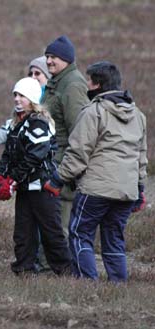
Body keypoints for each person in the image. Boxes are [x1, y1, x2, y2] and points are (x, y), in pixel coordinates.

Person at [44, 61, 147, 282]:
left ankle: (87, 284)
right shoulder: (138, 115)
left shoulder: (93, 112)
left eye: (89, 81)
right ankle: (117, 285)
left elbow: (78, 152)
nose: (86, 85)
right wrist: (139, 188)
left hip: (96, 189)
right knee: (114, 239)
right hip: (126, 192)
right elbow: (141, 156)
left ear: (98, 85)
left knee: (80, 234)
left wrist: (58, 178)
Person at [0, 77, 71, 276]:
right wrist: (0, 176)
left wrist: (13, 179)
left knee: (51, 232)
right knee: (23, 232)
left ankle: (66, 271)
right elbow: (9, 154)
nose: (17, 99)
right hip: (26, 188)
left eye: (22, 96)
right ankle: (24, 270)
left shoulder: (38, 123)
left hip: (43, 187)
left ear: (32, 99)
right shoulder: (17, 124)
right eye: (15, 95)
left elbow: (36, 155)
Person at [41, 35, 89, 236]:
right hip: (51, 159)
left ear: (67, 59)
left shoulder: (72, 85)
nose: (49, 61)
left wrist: (65, 169)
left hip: (62, 163)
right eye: (48, 56)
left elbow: (79, 132)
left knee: (61, 225)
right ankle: (47, 265)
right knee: (50, 221)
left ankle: (62, 267)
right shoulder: (58, 81)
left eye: (54, 57)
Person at [0, 56, 51, 147]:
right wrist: (8, 129)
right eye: (30, 74)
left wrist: (9, 135)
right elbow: (19, 120)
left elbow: (42, 132)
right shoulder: (26, 97)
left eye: (37, 73)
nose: (33, 77)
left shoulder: (52, 99)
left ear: (48, 76)